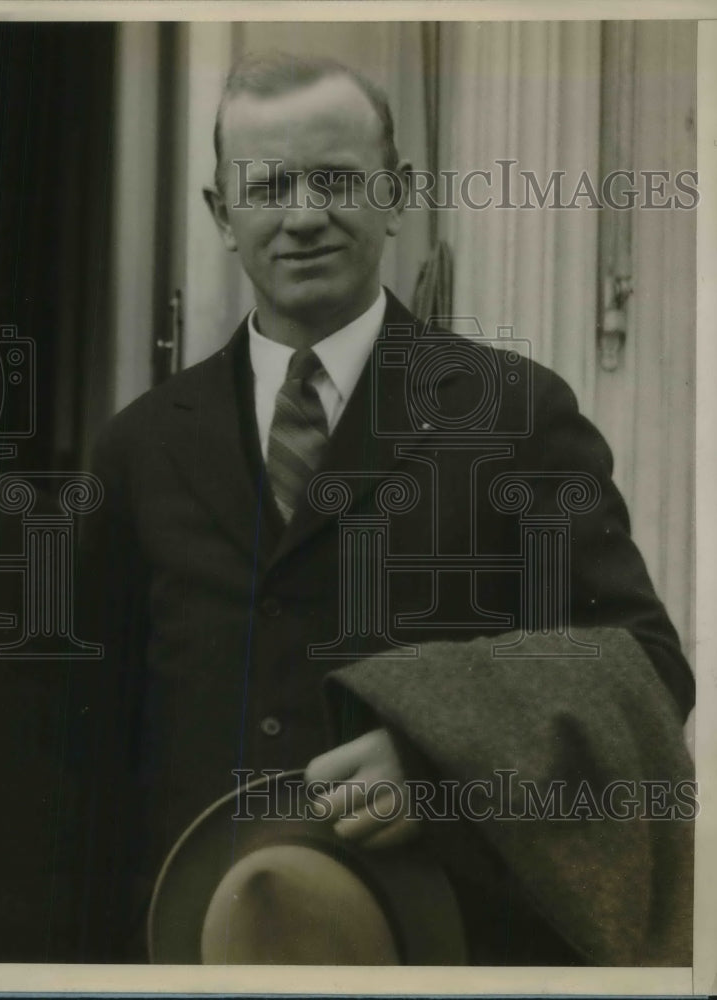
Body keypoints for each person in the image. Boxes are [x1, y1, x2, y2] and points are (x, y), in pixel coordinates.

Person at [68, 52, 695, 966]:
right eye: (268, 184)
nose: (304, 215)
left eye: (337, 179)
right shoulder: (137, 449)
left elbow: (645, 668)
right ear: (219, 214)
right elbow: (76, 753)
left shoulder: (516, 415)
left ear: (397, 194)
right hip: (188, 953)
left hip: (455, 951)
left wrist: (446, 756)